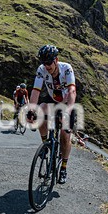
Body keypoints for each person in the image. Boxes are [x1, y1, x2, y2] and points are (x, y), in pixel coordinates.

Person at [26, 44, 77, 184]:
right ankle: (46, 145)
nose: (47, 66)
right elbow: (36, 91)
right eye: (44, 63)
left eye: (49, 63)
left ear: (56, 60)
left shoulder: (66, 69)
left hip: (67, 102)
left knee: (65, 135)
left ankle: (64, 168)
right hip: (52, 100)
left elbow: (72, 91)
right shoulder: (42, 70)